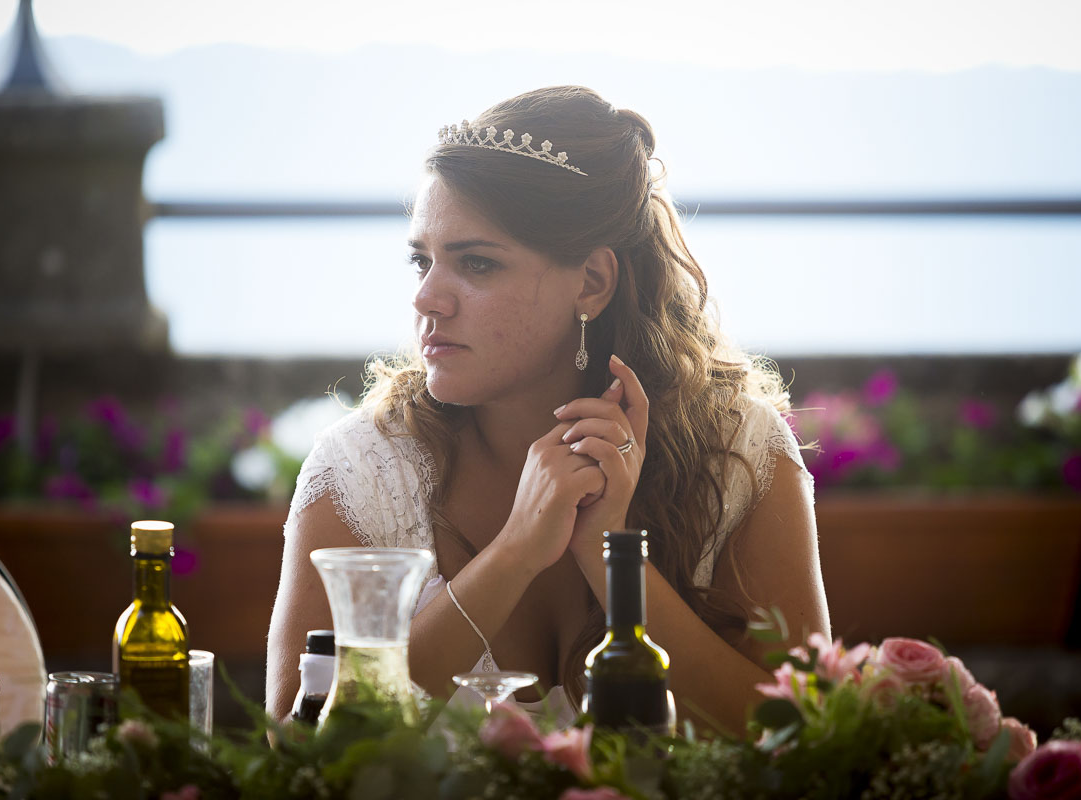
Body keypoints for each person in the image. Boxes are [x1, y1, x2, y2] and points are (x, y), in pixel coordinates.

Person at [266, 85, 829, 735]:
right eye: (422, 260)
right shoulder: (360, 470)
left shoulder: (740, 454)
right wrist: (515, 553)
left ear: (591, 281)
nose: (427, 299)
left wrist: (609, 554)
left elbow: (798, 736)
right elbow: (296, 751)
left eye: (476, 263)